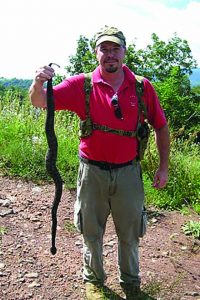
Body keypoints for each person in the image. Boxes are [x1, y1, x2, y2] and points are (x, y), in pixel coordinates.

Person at [29, 25, 170, 300]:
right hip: (91, 172)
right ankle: (94, 281)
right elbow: (41, 102)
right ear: (96, 54)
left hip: (129, 171)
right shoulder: (81, 85)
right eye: (104, 49)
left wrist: (163, 168)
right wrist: (37, 82)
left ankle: (131, 283)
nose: (110, 54)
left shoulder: (142, 87)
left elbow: (161, 127)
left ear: (124, 53)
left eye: (115, 48)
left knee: (130, 232)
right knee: (90, 230)